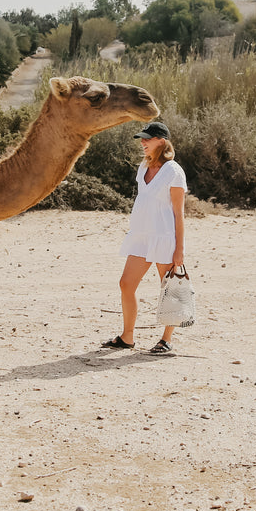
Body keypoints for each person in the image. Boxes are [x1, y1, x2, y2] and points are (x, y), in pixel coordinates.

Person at [100, 120, 187, 355]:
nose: (143, 143)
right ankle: (127, 337)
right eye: (142, 139)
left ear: (162, 141)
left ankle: (166, 339)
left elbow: (179, 214)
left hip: (164, 237)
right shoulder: (143, 168)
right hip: (141, 236)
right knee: (126, 284)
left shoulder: (174, 171)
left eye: (148, 139)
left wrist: (179, 249)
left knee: (169, 288)